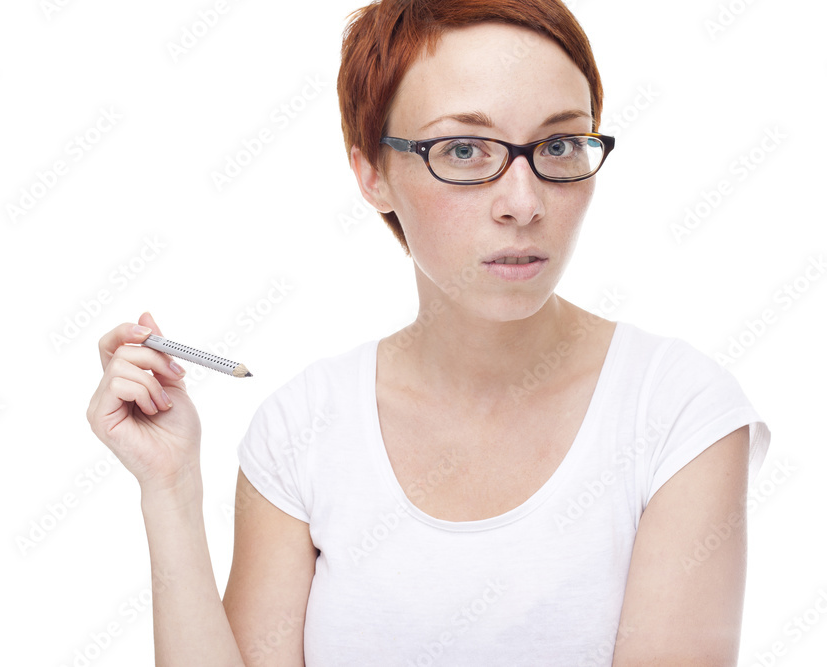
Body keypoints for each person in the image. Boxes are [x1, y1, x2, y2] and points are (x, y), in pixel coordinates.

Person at [86, 0, 771, 664]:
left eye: (559, 145)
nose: (523, 203)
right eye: (465, 149)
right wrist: (170, 489)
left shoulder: (679, 411)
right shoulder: (301, 430)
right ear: (371, 174)